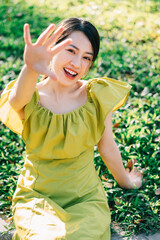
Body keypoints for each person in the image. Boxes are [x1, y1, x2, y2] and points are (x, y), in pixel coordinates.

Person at [0, 17, 142, 240]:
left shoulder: (96, 96)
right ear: (53, 49)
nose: (77, 63)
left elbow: (107, 148)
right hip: (36, 195)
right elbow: (17, 100)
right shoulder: (32, 96)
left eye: (87, 58)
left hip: (84, 198)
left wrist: (127, 181)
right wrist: (30, 68)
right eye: (71, 50)